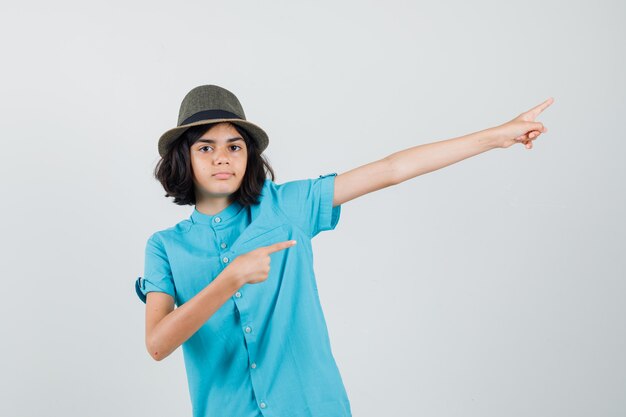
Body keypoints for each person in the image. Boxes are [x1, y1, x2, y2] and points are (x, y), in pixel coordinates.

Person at [135, 84, 553, 417]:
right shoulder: (166, 247)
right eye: (206, 147)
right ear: (183, 158)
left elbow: (391, 170)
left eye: (234, 146)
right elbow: (157, 344)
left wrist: (497, 136)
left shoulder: (287, 206)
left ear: (249, 156)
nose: (222, 158)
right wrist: (229, 280)